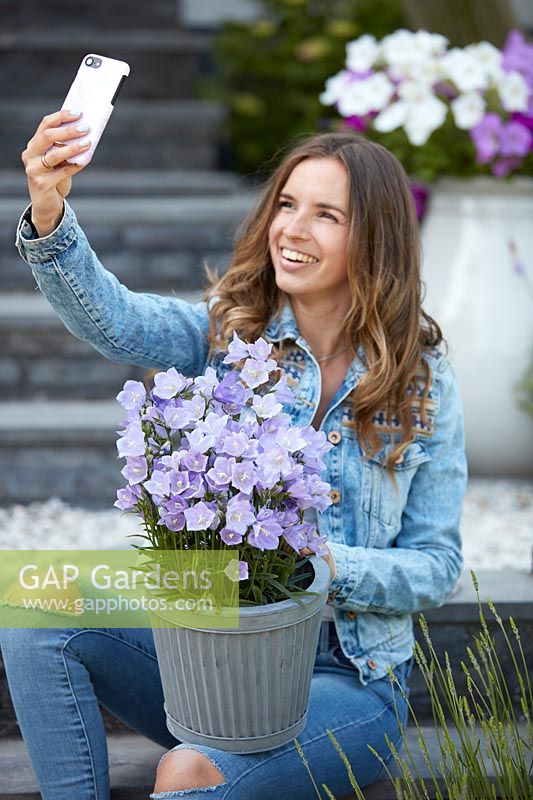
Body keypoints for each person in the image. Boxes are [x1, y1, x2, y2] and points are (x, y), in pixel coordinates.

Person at [1, 110, 467, 800]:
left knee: (187, 773)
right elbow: (114, 319)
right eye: (285, 204)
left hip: (346, 680)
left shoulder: (420, 380)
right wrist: (48, 209)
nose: (291, 228)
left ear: (374, 239)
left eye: (325, 215)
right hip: (212, 664)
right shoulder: (229, 333)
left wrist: (320, 563)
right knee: (35, 601)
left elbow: (437, 567)